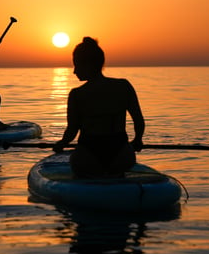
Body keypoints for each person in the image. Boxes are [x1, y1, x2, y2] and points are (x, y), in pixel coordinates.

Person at [53, 37, 145, 178]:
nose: (74, 71)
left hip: (88, 158)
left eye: (76, 65)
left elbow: (72, 131)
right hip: (121, 156)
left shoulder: (77, 94)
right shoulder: (124, 86)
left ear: (89, 65)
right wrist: (138, 140)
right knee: (117, 169)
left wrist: (61, 144)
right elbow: (139, 121)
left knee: (78, 164)